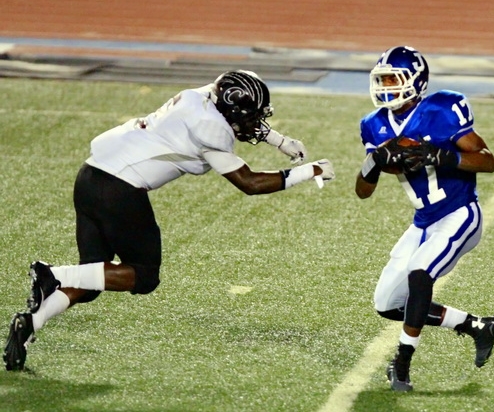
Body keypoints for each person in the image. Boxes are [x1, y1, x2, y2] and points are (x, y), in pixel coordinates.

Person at [3, 70, 335, 371]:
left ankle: (31, 322)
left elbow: (238, 119)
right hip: (120, 187)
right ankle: (53, 274)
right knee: (143, 276)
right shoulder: (211, 130)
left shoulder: (202, 95)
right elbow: (250, 183)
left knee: (94, 277)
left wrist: (278, 140)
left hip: (91, 176)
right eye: (251, 118)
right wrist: (312, 170)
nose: (255, 124)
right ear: (231, 113)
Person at [354, 45, 494, 392]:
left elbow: (487, 161)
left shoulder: (442, 108)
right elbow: (363, 191)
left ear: (416, 81)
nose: (387, 86)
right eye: (383, 79)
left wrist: (442, 155)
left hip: (460, 213)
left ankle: (402, 364)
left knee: (420, 274)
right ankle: (477, 326)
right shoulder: (372, 124)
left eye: (394, 79)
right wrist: (374, 161)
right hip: (423, 222)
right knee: (388, 304)